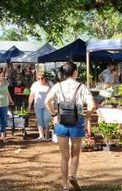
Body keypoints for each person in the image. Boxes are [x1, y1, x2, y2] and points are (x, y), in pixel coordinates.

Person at [45, 62, 95, 191]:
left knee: (64, 155)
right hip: (76, 123)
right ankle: (73, 175)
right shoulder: (81, 87)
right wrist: (86, 117)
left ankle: (64, 185)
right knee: (75, 153)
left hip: (61, 123)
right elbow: (92, 105)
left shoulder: (57, 86)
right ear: (75, 72)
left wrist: (53, 114)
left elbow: (47, 101)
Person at [28, 70, 54, 141]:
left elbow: (54, 93)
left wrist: (54, 103)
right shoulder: (35, 84)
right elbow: (32, 95)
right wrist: (29, 105)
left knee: (46, 119)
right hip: (37, 104)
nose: (40, 80)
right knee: (39, 120)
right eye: (38, 79)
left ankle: (47, 136)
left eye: (42, 78)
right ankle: (41, 135)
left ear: (45, 78)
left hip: (47, 105)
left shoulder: (49, 83)